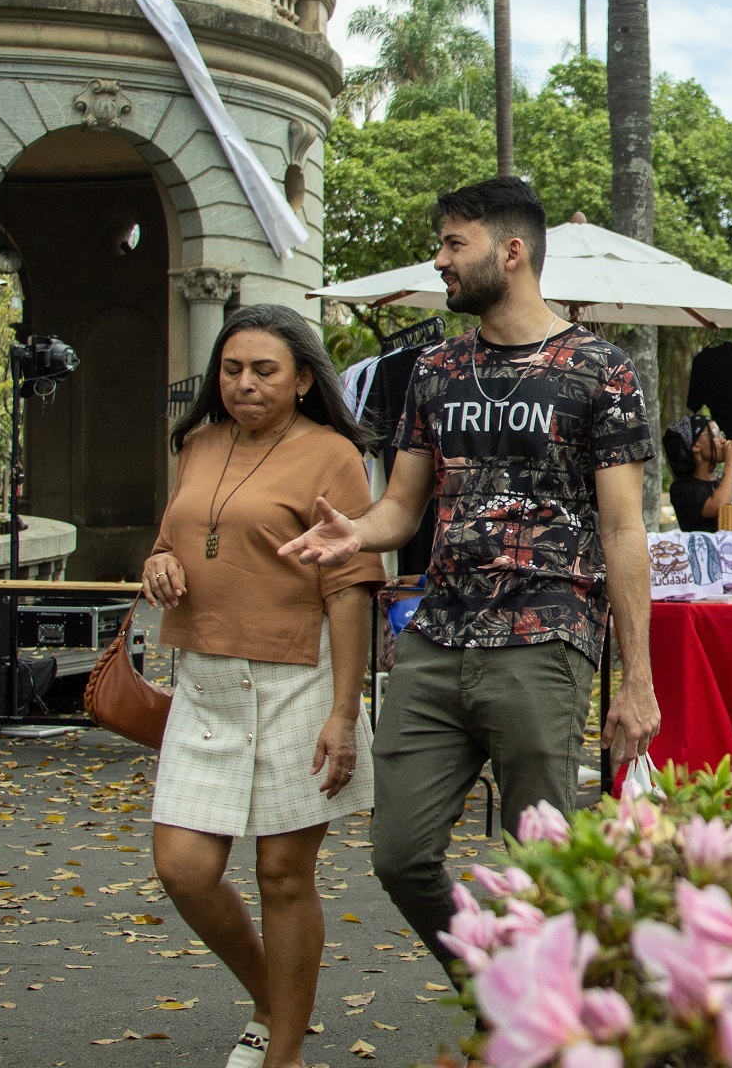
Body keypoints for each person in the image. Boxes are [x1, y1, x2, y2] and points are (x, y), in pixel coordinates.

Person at [277, 177, 661, 981]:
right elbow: (401, 506)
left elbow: (625, 531)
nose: (442, 261)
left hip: (545, 638)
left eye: (455, 245)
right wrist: (359, 532)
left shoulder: (601, 370)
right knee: (399, 854)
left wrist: (638, 679)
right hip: (437, 637)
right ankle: (498, 988)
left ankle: (558, 1023)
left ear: (510, 252)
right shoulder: (436, 370)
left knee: (541, 866)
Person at [144, 305, 384, 1068]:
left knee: (283, 875)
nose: (244, 383)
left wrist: (345, 712)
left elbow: (349, 589)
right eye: (232, 368)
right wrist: (158, 561)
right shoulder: (198, 443)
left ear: (304, 379)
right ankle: (271, 996)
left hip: (298, 680)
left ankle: (284, 1052)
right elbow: (174, 533)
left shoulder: (333, 456)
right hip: (206, 683)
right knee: (183, 868)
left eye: (265, 370)